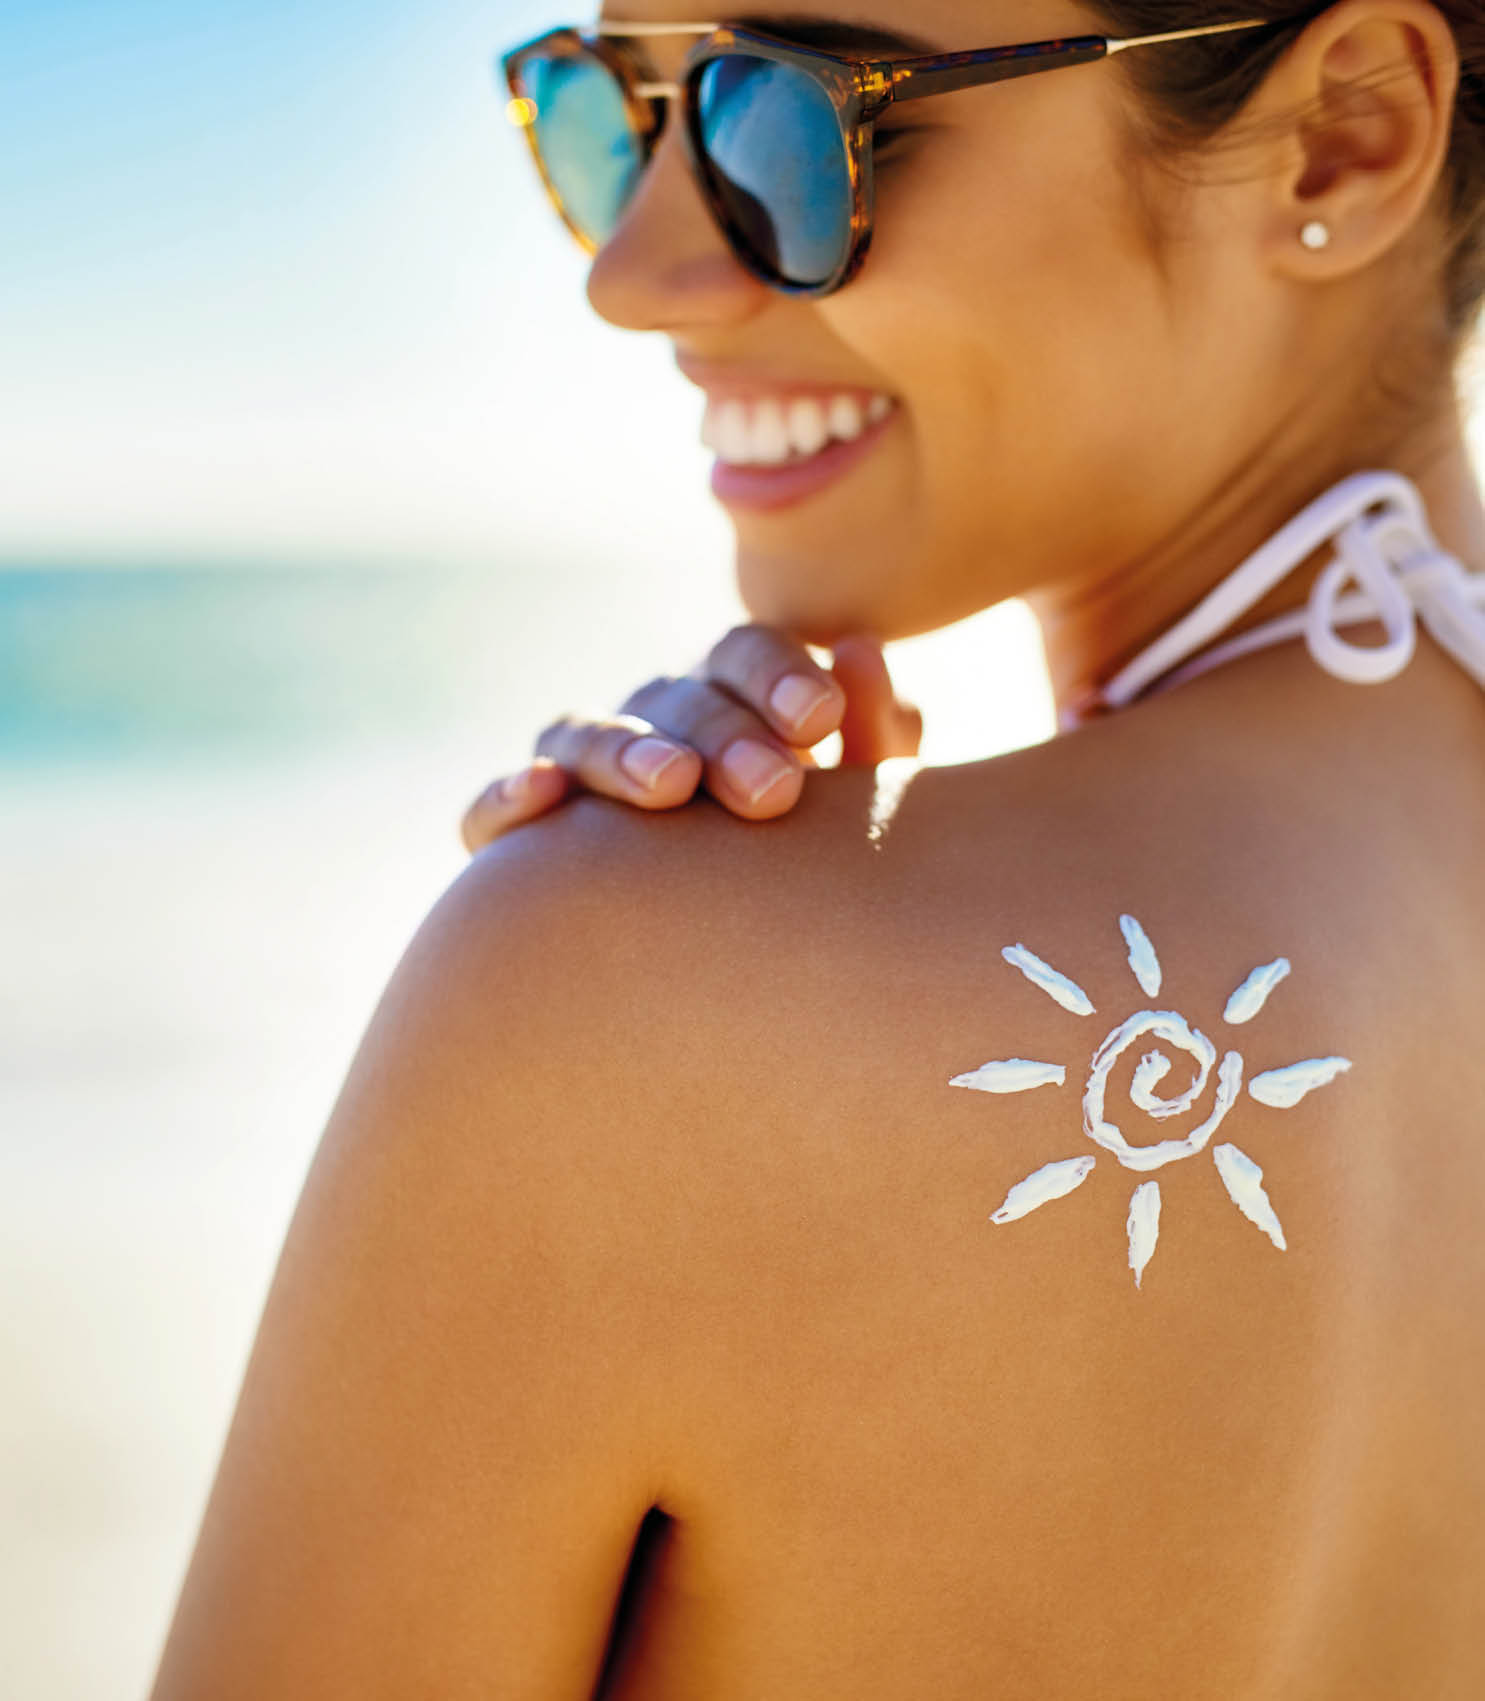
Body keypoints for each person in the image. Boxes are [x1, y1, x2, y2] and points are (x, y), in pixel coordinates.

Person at [151, 5, 1485, 1697]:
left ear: (1344, 134)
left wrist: (622, 934)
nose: (631, 274)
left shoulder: (623, 1001)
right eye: (611, 113)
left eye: (784, 115)